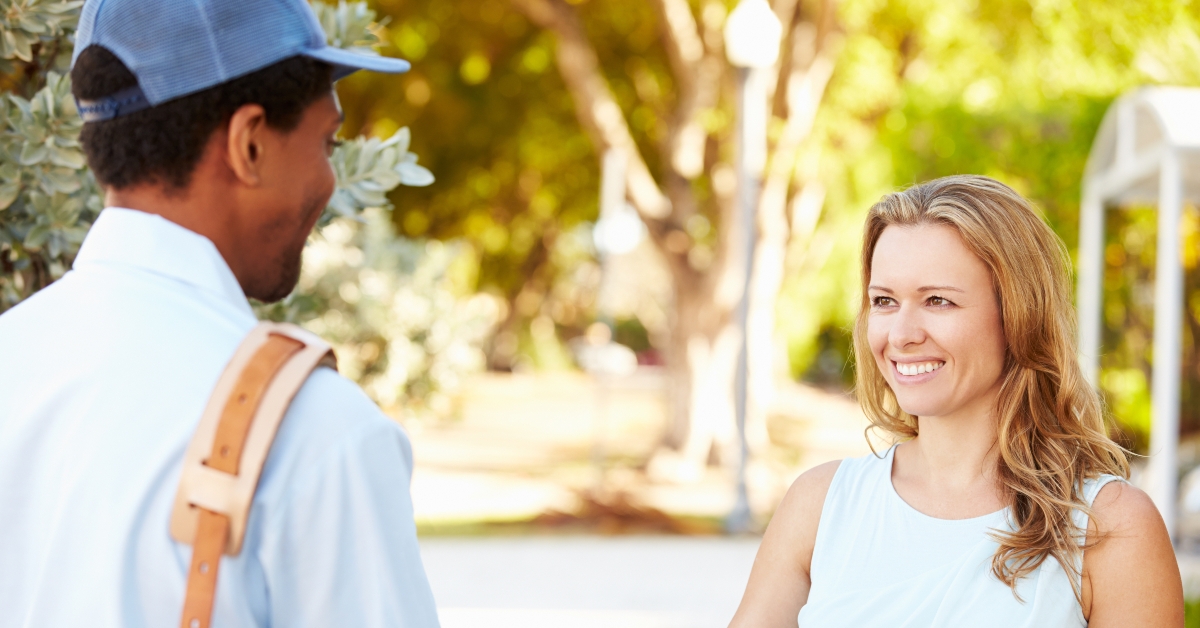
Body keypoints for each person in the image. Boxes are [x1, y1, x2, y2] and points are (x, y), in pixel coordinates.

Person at [0, 0, 440, 626]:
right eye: (326, 142)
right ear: (250, 144)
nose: (329, 180)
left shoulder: (11, 357)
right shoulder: (317, 434)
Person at [730, 175, 1183, 627]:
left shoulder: (1109, 526)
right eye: (884, 300)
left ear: (1019, 316)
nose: (902, 335)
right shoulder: (821, 505)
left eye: (939, 301)